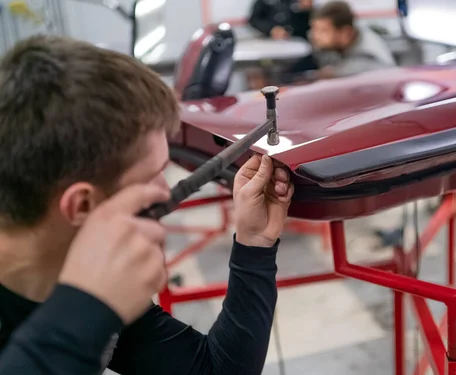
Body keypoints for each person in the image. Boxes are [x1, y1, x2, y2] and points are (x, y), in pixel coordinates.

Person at [0, 35, 294, 375]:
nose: (163, 190)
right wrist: (85, 309)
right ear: (81, 204)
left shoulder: (89, 271)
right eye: (152, 175)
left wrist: (253, 244)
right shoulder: (89, 294)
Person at [310, 1, 395, 78]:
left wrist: (331, 73)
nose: (315, 36)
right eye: (314, 29)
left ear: (346, 33)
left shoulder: (370, 58)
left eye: (323, 31)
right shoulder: (335, 46)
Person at [249, 0, 313, 40]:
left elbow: (311, 21)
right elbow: (254, 20)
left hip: (298, 40)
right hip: (271, 41)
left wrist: (306, 10)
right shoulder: (263, 2)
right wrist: (271, 29)